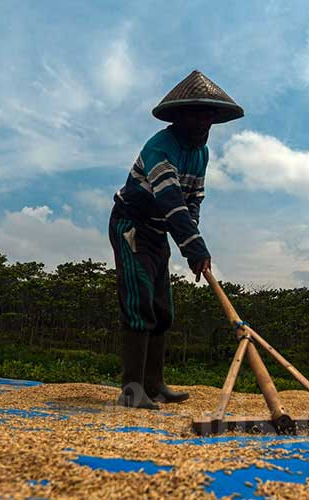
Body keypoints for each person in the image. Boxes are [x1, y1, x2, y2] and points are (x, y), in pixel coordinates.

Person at [109, 70, 244, 409]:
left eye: (209, 118)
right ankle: (132, 388)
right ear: (180, 116)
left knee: (162, 308)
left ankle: (154, 384)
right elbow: (170, 200)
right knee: (139, 303)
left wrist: (191, 240)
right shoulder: (160, 147)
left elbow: (192, 199)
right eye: (197, 116)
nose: (204, 124)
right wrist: (194, 247)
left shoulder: (202, 153)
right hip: (133, 227)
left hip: (159, 232)